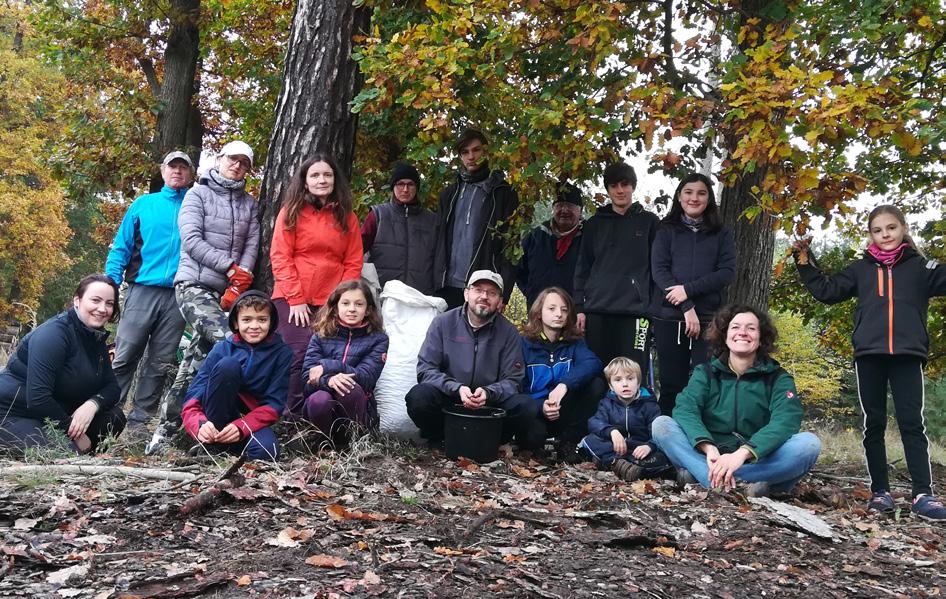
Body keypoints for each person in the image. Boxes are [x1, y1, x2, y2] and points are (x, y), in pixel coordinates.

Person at [794, 205, 946, 520]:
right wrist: (804, 260)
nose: (885, 234)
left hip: (907, 354)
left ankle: (923, 495)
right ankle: (880, 492)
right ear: (871, 235)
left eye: (891, 228)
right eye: (878, 230)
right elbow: (827, 290)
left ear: (903, 228)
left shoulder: (921, 268)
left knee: (911, 424)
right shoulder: (860, 269)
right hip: (869, 355)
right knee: (873, 423)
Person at [146, 140, 259, 454]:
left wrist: (240, 280)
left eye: (244, 163)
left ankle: (165, 436)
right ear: (220, 159)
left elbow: (251, 242)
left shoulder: (249, 203)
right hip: (193, 285)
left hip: (228, 292)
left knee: (195, 363)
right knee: (228, 341)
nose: (237, 166)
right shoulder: (198, 193)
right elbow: (192, 239)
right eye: (232, 160)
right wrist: (229, 267)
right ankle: (222, 421)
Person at [651, 305, 821, 497]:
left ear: (761, 338)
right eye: (735, 327)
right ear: (725, 335)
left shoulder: (778, 378)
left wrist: (742, 453)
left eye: (751, 328)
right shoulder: (706, 373)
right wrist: (709, 448)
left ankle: (710, 480)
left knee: (809, 444)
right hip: (710, 457)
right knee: (661, 425)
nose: (742, 332)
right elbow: (685, 409)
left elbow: (786, 420)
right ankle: (746, 486)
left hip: (758, 458)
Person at [105, 150, 194, 432]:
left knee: (161, 361)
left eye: (183, 168)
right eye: (172, 167)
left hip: (179, 294)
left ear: (191, 174)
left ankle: (138, 424)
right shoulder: (144, 205)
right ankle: (107, 415)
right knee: (125, 353)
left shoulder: (195, 206)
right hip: (142, 288)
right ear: (163, 170)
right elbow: (121, 247)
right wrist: (110, 283)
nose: (178, 172)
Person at [270, 154, 363, 421]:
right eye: (315, 175)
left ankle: (320, 419)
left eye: (327, 175)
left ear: (335, 180)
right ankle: (292, 420)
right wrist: (296, 299)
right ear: (305, 181)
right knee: (296, 356)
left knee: (328, 358)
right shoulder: (291, 212)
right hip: (292, 299)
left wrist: (339, 303)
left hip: (330, 303)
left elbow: (353, 261)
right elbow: (280, 256)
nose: (322, 180)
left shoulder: (347, 216)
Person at [406, 270, 540, 448]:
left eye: (492, 293)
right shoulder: (443, 323)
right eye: (478, 290)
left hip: (490, 405)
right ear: (466, 293)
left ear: (500, 300)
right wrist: (457, 388)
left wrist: (488, 392)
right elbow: (426, 369)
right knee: (418, 397)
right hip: (450, 399)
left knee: (526, 406)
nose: (484, 296)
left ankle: (492, 442)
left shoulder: (509, 332)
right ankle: (440, 439)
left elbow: (514, 380)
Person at [0, 275, 126, 452]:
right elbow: (38, 398)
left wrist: (92, 404)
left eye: (109, 303)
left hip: (58, 412)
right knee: (68, 452)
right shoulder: (53, 335)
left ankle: (81, 453)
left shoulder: (94, 337)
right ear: (77, 300)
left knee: (115, 418)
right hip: (14, 413)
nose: (102, 309)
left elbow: (112, 388)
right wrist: (74, 433)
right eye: (95, 300)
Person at [651, 173, 736, 415]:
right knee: (671, 386)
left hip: (710, 317)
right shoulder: (665, 230)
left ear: (709, 198)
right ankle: (664, 445)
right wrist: (686, 306)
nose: (694, 198)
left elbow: (726, 273)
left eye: (701, 193)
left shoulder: (722, 234)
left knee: (707, 384)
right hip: (670, 317)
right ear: (679, 196)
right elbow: (659, 271)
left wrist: (687, 290)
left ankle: (704, 444)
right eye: (688, 192)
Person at [573, 161, 659, 382]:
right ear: (608, 189)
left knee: (633, 375)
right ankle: (597, 418)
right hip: (597, 312)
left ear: (633, 186)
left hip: (637, 314)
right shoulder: (593, 225)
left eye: (625, 184)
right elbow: (583, 268)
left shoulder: (650, 222)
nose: (620, 190)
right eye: (614, 185)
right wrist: (579, 308)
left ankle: (635, 417)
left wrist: (653, 309)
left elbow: (659, 269)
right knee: (598, 374)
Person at [180, 291, 292, 460]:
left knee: (267, 451)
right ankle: (211, 444)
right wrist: (200, 425)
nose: (254, 326)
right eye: (247, 320)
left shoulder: (282, 353)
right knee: (228, 365)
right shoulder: (222, 348)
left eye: (262, 319)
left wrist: (242, 426)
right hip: (216, 416)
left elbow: (274, 404)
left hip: (250, 421)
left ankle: (232, 449)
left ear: (271, 322)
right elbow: (193, 397)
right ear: (236, 322)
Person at [289, 279, 389, 443]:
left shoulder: (378, 339)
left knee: (349, 388)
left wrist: (328, 365)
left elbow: (367, 378)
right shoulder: (320, 336)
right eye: (346, 303)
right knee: (319, 398)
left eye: (358, 304)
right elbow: (307, 381)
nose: (352, 309)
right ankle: (321, 442)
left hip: (356, 409)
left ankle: (351, 442)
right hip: (322, 410)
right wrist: (329, 381)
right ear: (335, 308)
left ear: (368, 310)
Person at [433, 129, 519, 309]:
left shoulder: (502, 193)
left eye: (476, 150)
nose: (471, 156)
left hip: (484, 287)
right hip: (447, 286)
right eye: (465, 152)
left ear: (486, 152)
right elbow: (437, 241)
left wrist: (505, 292)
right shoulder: (450, 193)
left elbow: (510, 247)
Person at [520, 287, 604, 456]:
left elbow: (593, 362)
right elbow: (516, 388)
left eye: (564, 310)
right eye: (552, 309)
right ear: (538, 313)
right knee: (534, 437)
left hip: (564, 410)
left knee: (597, 384)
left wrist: (564, 385)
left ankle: (568, 442)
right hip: (536, 411)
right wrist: (540, 406)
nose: (558, 314)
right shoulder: (523, 344)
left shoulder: (574, 342)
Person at [577, 357, 671, 481]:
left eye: (630, 378)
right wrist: (612, 432)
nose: (625, 384)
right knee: (590, 441)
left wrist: (650, 446)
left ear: (638, 383)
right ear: (611, 386)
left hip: (639, 450)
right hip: (615, 448)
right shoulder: (607, 403)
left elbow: (658, 433)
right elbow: (594, 422)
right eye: (618, 380)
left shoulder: (649, 406)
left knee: (662, 457)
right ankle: (619, 464)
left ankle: (628, 467)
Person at [361, 162, 438, 294]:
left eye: (410, 184)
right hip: (382, 294)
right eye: (400, 184)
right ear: (393, 187)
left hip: (420, 296)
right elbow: (356, 250)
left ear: (417, 187)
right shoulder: (378, 215)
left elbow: (439, 260)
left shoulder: (432, 220)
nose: (405, 189)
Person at [517, 182, 585, 307]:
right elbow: (519, 270)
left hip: (576, 313)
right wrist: (531, 292)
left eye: (570, 205)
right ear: (553, 209)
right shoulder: (535, 236)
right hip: (538, 311)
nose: (564, 210)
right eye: (559, 205)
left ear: (580, 210)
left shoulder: (589, 239)